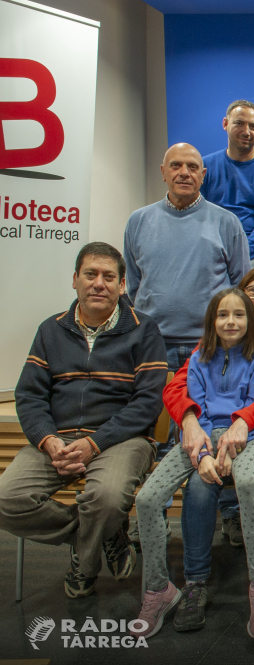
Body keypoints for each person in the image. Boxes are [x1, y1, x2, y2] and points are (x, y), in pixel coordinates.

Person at [0, 243, 167, 598]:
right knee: (6, 499)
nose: (99, 284)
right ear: (75, 279)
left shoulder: (144, 330)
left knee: (105, 499)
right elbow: (29, 396)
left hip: (119, 439)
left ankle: (84, 566)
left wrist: (94, 443)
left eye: (109, 277)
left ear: (123, 285)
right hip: (56, 441)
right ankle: (103, 534)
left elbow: (148, 402)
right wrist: (48, 439)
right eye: (90, 274)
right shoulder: (51, 330)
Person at [160, 266, 254, 631]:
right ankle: (195, 582)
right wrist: (191, 422)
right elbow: (176, 388)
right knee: (199, 483)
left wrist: (245, 420)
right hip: (213, 432)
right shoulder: (218, 335)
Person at [132, 288, 254, 640]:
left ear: (250, 320)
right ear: (211, 320)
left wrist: (224, 453)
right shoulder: (198, 358)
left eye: (239, 315)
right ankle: (158, 590)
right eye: (223, 314)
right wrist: (202, 457)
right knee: (147, 499)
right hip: (203, 435)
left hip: (251, 435)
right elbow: (194, 413)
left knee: (246, 484)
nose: (231, 321)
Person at [125, 142, 251, 375]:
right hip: (152, 343)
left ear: (202, 175)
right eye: (176, 166)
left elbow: (240, 286)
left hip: (211, 343)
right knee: (154, 411)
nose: (184, 172)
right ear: (163, 172)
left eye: (192, 167)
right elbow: (133, 285)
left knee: (208, 412)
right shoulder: (138, 221)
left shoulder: (227, 222)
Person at [201, 100, 254, 266]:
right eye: (239, 123)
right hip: (212, 246)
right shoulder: (204, 167)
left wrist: (241, 253)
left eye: (253, 126)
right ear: (225, 124)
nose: (246, 131)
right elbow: (197, 215)